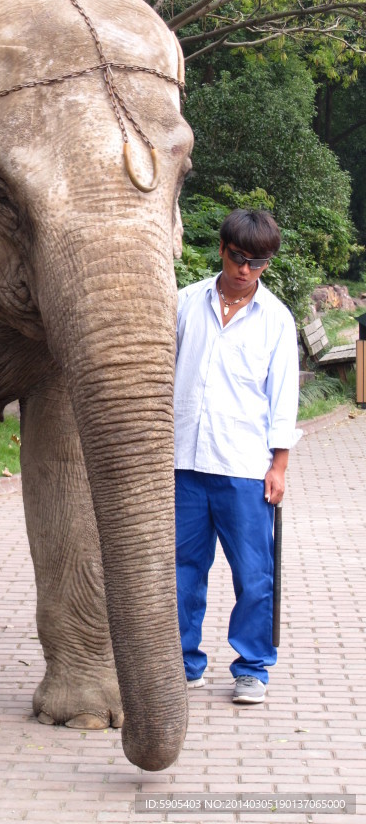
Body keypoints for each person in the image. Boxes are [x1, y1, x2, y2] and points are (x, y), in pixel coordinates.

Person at [173, 208, 301, 704]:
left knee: (254, 575)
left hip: (245, 469)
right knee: (182, 571)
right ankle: (183, 662)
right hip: (184, 462)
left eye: (258, 262)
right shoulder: (185, 303)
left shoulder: (275, 320)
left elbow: (283, 398)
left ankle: (252, 668)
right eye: (237, 257)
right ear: (222, 248)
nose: (245, 269)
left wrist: (280, 466)